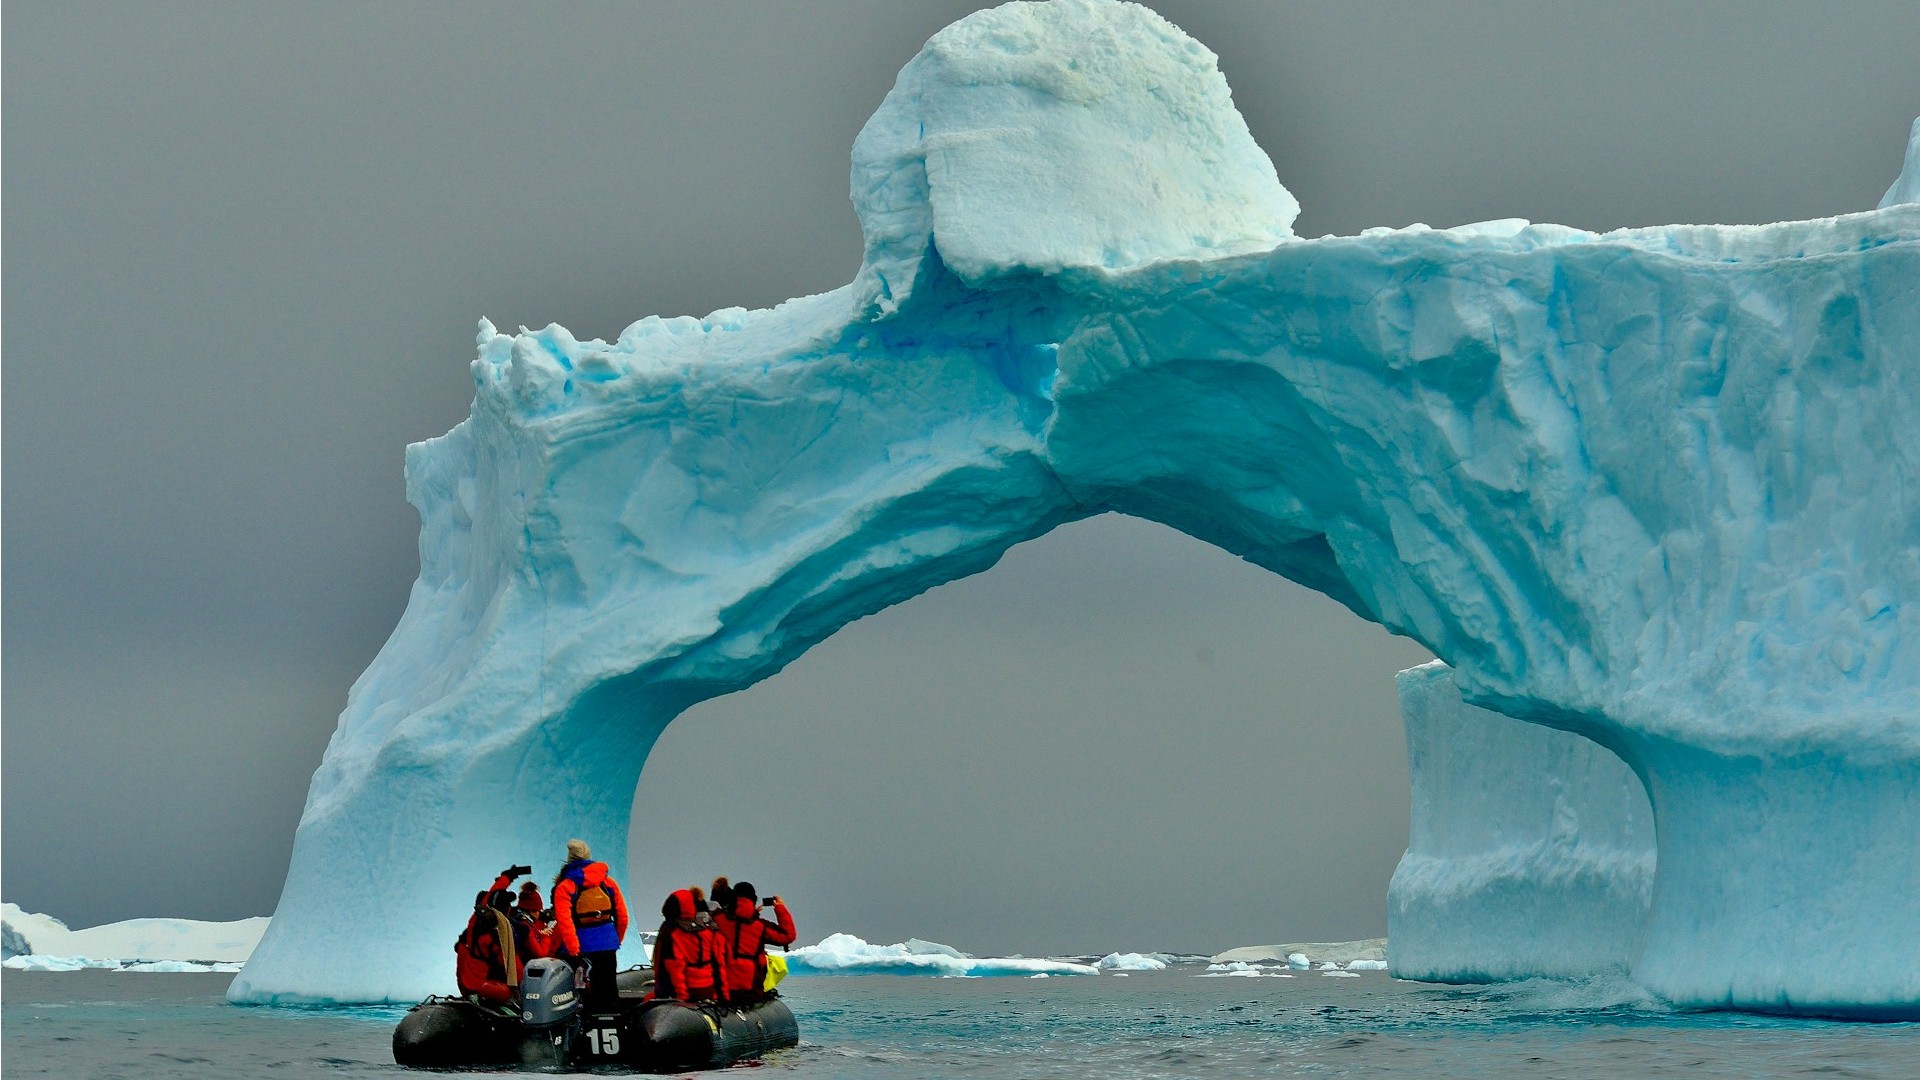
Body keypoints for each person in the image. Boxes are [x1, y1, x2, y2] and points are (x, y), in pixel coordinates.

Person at [551, 839, 629, 1014]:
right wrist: (614, 940)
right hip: (607, 945)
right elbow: (623, 917)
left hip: (579, 949)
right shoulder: (608, 883)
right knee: (608, 990)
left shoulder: (566, 886)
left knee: (580, 994)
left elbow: (565, 922)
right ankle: (611, 1027)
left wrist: (574, 950)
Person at [454, 864, 533, 1007]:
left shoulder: (476, 918)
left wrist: (508, 876)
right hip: (482, 988)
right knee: (509, 992)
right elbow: (515, 968)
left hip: (466, 982)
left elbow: (493, 892)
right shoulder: (501, 934)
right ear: (506, 909)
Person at [715, 881, 795, 1004]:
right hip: (750, 992)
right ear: (753, 900)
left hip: (720, 991)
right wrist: (780, 908)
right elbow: (787, 935)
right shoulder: (760, 926)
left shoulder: (717, 919)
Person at [651, 888, 728, 1003]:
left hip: (686, 994)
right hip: (708, 991)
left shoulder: (673, 933)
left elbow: (675, 968)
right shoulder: (709, 930)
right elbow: (719, 965)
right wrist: (724, 996)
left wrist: (681, 998)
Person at [517, 881, 556, 960]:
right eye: (535, 911)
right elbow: (540, 953)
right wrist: (546, 936)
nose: (538, 914)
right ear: (527, 911)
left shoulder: (521, 923)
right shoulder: (525, 927)